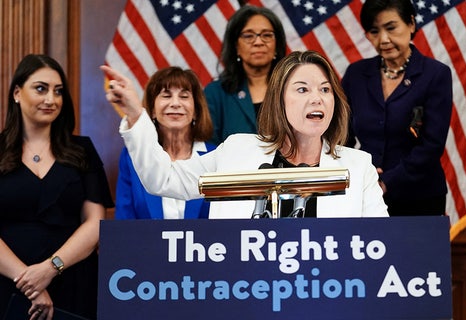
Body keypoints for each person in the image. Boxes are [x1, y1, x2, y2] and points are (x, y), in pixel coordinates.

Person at [101, 50, 388, 218]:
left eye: (325, 89)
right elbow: (163, 180)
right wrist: (137, 115)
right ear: (279, 100)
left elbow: (377, 247)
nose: (317, 98)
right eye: (303, 89)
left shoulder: (358, 166)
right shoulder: (236, 152)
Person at [0, 54, 113, 319]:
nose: (51, 99)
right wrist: (29, 282)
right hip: (7, 283)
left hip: (74, 283)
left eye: (58, 91)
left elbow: (94, 222)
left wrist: (50, 269)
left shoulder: (82, 150)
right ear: (17, 92)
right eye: (41, 88)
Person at [341, 0, 453, 216]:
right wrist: (361, 173)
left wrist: (385, 181)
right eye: (374, 31)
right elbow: (341, 137)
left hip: (420, 197)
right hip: (365, 194)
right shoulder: (356, 74)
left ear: (411, 24)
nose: (383, 39)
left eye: (391, 28)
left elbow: (432, 145)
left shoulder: (435, 74)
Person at [115, 67, 216, 220]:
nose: (175, 103)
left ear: (195, 110)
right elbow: (123, 221)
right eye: (166, 96)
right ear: (153, 111)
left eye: (184, 96)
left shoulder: (214, 157)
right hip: (146, 244)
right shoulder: (133, 157)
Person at [204, 5, 286, 145]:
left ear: (277, 44)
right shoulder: (215, 93)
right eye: (248, 36)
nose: (258, 42)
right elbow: (208, 148)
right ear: (236, 46)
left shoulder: (293, 88)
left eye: (267, 35)